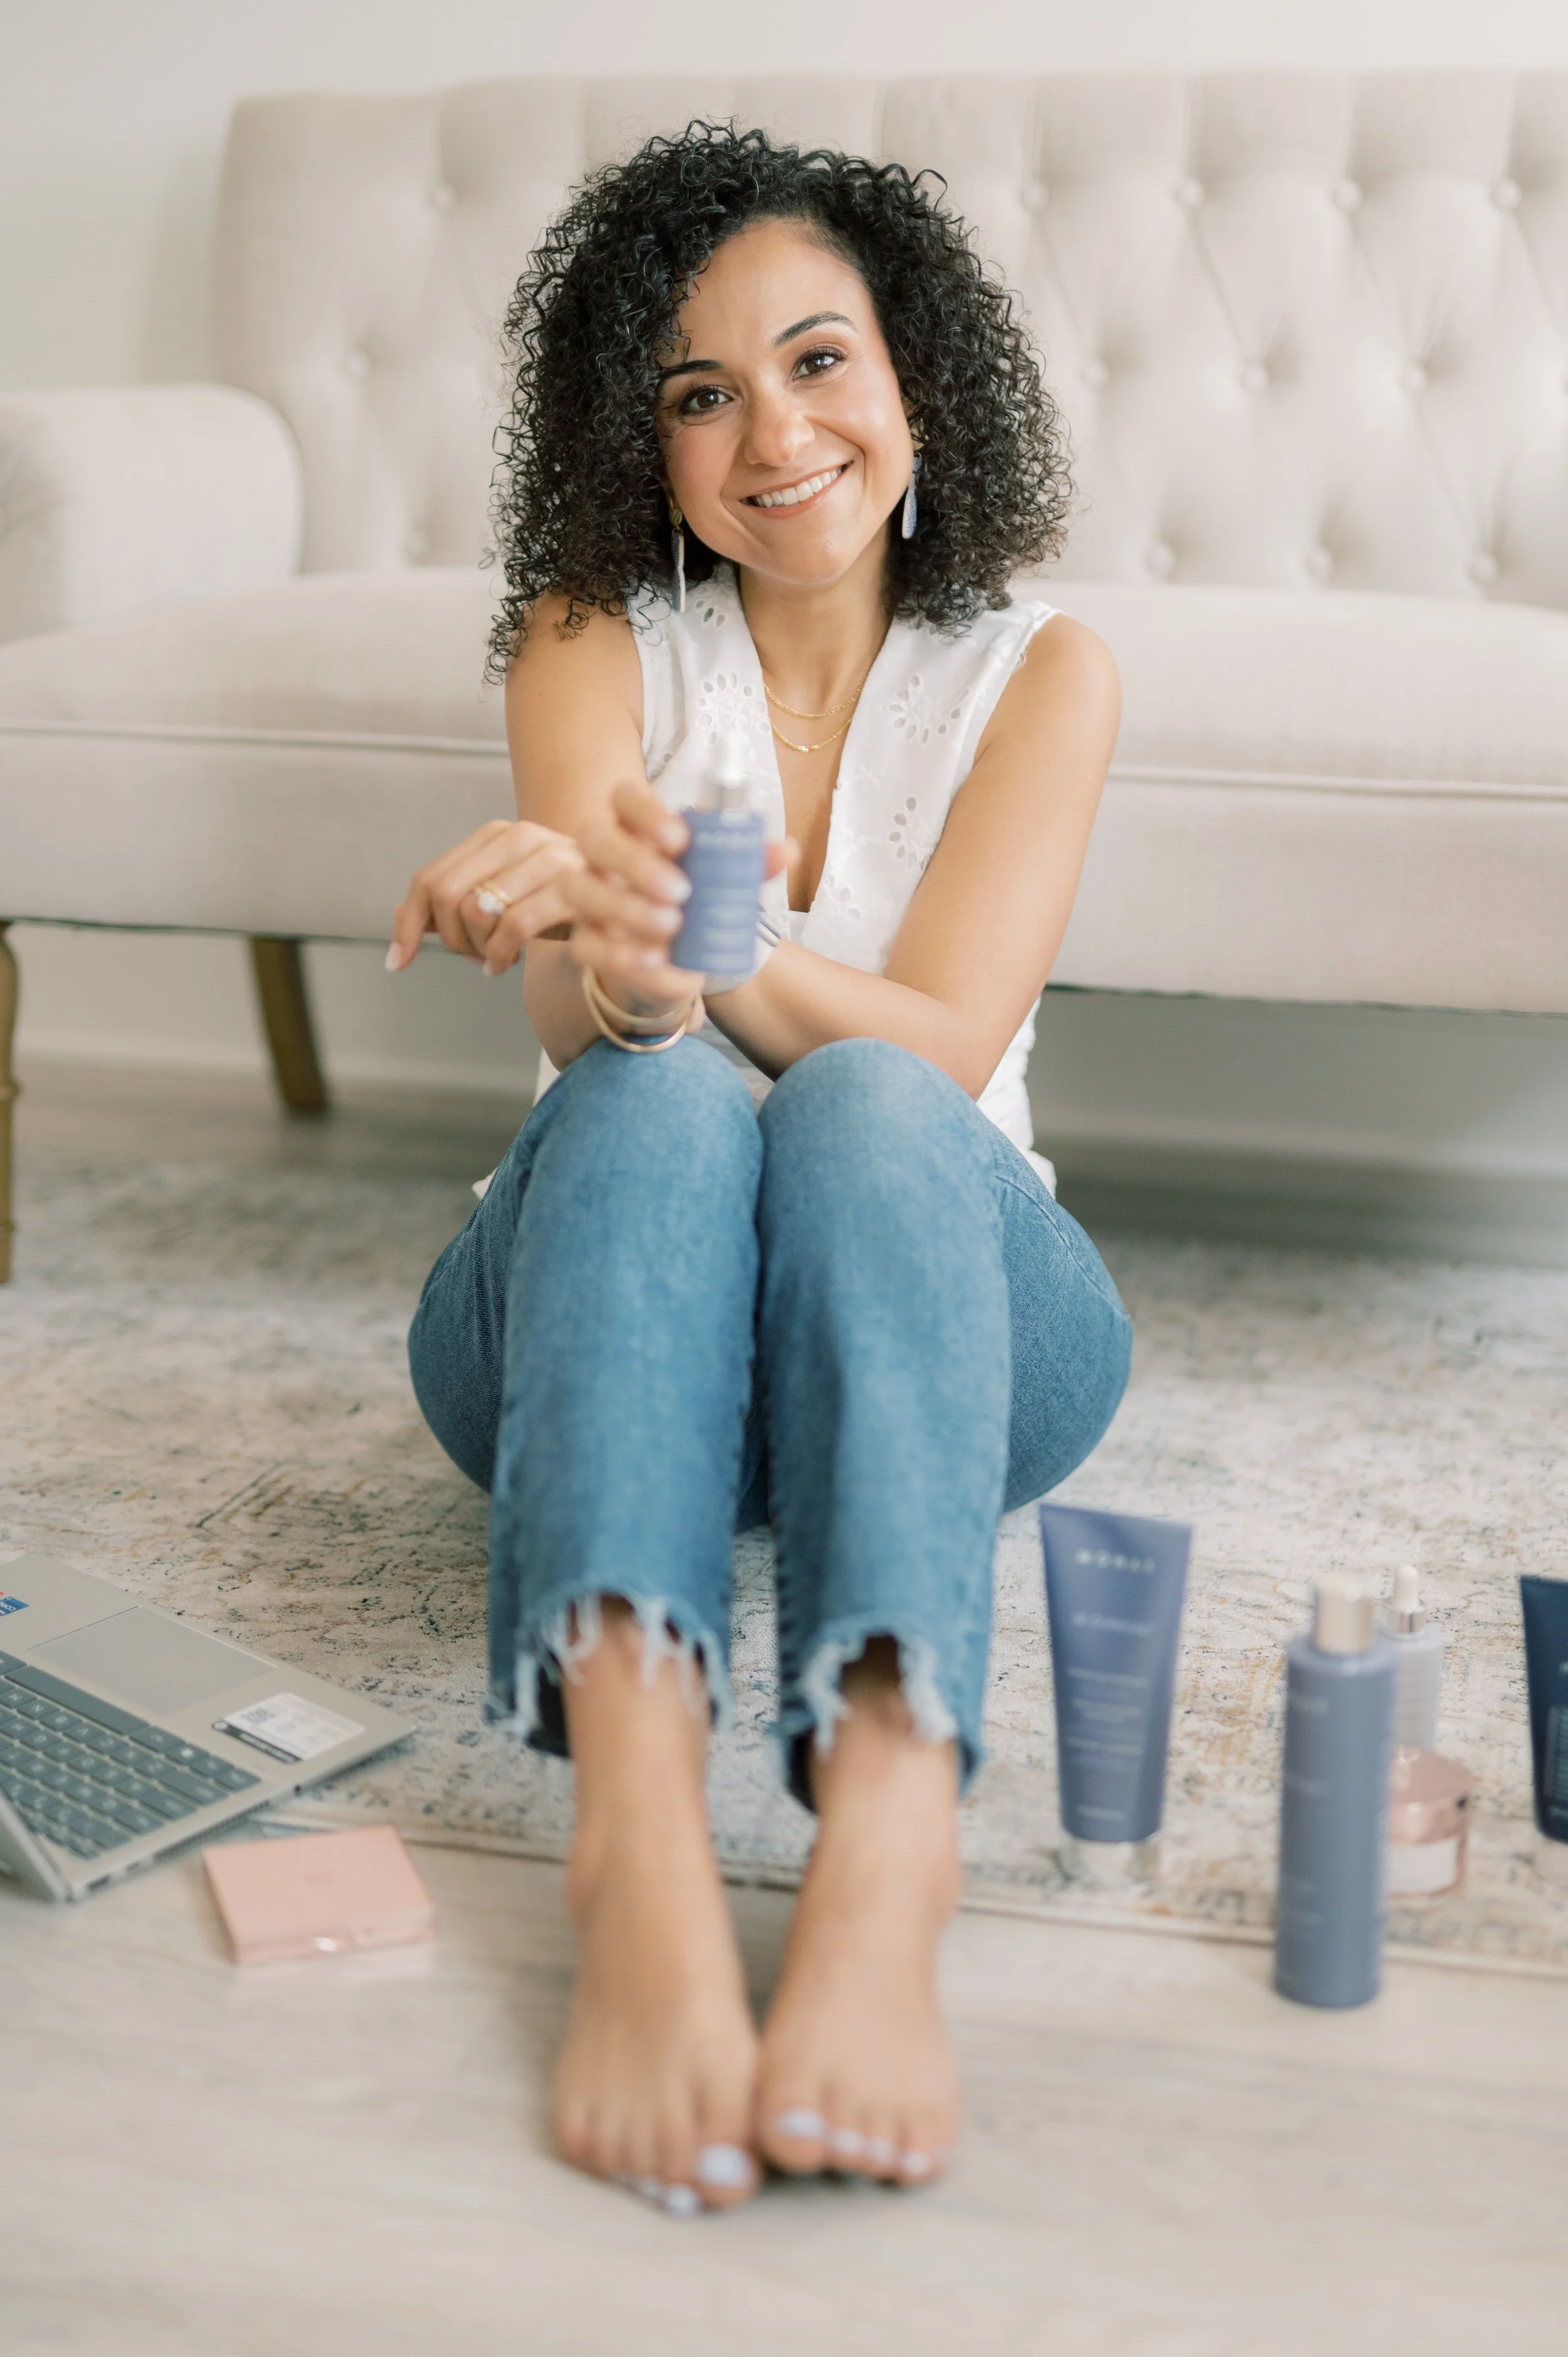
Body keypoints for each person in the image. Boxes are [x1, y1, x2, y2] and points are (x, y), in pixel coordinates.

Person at [390, 125, 1130, 2216]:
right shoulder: (586, 634)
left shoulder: (1040, 670)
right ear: (642, 443)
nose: (772, 433)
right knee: (651, 1093)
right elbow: (578, 1036)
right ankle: (630, 1851)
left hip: (948, 1324)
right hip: (589, 1333)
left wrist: (714, 952)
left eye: (818, 362)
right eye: (698, 392)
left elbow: (947, 1046)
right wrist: (620, 976)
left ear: (917, 380)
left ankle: (888, 1850)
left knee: (870, 1098)